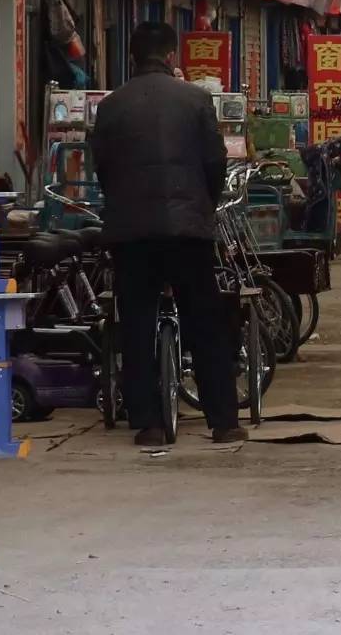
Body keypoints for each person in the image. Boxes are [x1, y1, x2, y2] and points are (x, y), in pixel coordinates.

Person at [89, 22, 244, 445]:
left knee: (136, 323)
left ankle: (149, 423)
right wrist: (202, 207)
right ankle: (224, 421)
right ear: (172, 56)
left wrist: (123, 204)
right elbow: (215, 163)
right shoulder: (196, 99)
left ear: (132, 57)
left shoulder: (111, 106)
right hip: (188, 229)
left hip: (132, 232)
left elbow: (102, 168)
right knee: (204, 321)